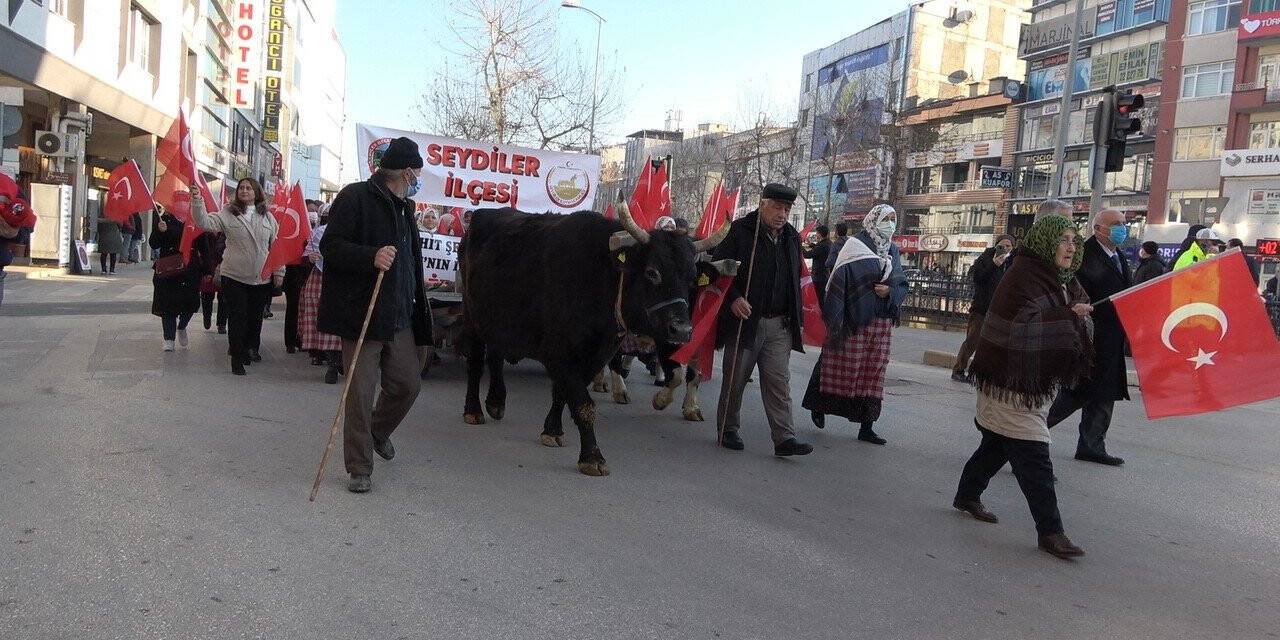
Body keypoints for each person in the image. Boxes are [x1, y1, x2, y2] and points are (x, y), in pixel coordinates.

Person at [953, 214, 1092, 560]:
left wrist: (1077, 315)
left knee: (997, 445)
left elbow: (1071, 315)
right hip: (1008, 377)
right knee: (1034, 456)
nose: (1070, 248)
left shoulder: (1063, 278)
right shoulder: (1024, 274)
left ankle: (967, 494)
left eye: (1074, 241)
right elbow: (1018, 328)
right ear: (1046, 241)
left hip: (1032, 382)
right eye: (1063, 240)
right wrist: (1068, 316)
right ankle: (1051, 531)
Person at [319, 137, 433, 493]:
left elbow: (408, 258)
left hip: (400, 315)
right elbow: (330, 246)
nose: (418, 176)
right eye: (417, 169)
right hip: (363, 313)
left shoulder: (407, 208)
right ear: (404, 170)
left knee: (407, 384)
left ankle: (378, 432)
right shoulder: (355, 197)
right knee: (360, 392)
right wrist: (370, 256)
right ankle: (359, 467)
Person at [711, 182, 813, 457]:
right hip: (746, 321)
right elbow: (718, 269)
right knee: (736, 379)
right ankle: (728, 428)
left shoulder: (792, 237)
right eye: (778, 207)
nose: (783, 213)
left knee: (779, 382)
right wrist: (733, 297)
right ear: (763, 204)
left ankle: (784, 438)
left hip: (780, 324)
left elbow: (796, 278)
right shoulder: (741, 232)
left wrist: (797, 315)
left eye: (787, 209)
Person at [803, 204, 909, 444]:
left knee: (873, 372)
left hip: (880, 322)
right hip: (852, 319)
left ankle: (866, 426)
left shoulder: (892, 249)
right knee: (836, 363)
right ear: (873, 220)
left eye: (893, 219)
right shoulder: (855, 246)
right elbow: (839, 279)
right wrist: (836, 319)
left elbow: (901, 281)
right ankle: (818, 406)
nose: (890, 223)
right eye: (886, 218)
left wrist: (890, 292)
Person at [1045, 209, 1132, 466]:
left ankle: (1093, 445)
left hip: (1112, 337)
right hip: (1091, 336)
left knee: (1105, 393)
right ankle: (1026, 436)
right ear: (1098, 228)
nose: (1122, 229)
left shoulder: (1118, 256)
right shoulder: (1085, 255)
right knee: (1076, 393)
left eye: (1124, 224)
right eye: (1116, 224)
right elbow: (1074, 292)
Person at [191, 177, 283, 376]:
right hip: (234, 275)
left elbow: (276, 246)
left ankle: (251, 347)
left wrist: (279, 272)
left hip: (261, 278)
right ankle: (236, 356)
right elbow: (203, 222)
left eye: (248, 188)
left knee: (254, 317)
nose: (244, 191)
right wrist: (197, 200)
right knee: (237, 315)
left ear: (256, 192)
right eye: (241, 188)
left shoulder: (268, 217)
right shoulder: (227, 213)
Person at [952, 234, 1014, 382]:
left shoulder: (1012, 263)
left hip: (1000, 310)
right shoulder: (986, 258)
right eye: (1001, 246)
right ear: (996, 246)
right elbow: (977, 277)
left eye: (1008, 246)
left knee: (994, 344)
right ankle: (959, 369)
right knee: (973, 340)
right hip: (981, 307)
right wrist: (994, 265)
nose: (1004, 249)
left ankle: (984, 374)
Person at [301, 203, 344, 384]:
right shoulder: (320, 232)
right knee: (324, 319)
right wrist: (310, 258)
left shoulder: (353, 230)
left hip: (346, 280)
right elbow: (307, 255)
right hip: (321, 278)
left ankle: (342, 359)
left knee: (343, 321)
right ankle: (332, 363)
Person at [149, 209, 201, 351]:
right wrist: (160, 231)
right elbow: (153, 243)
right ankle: (169, 338)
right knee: (167, 305)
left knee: (191, 303)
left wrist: (208, 268)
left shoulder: (195, 217)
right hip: (169, 268)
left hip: (190, 268)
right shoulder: (164, 219)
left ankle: (182, 326)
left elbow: (203, 243)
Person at [282, 200, 318, 354]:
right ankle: (290, 341)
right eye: (309, 210)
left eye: (315, 211)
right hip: (294, 275)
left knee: (307, 312)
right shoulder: (293, 227)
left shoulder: (317, 232)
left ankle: (303, 339)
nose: (313, 214)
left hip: (310, 276)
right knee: (293, 308)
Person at [0, 174, 37, 310]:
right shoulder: (5, 184)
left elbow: (28, 221)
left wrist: (12, 232)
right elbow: (29, 223)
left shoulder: (5, 184)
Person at [194, 229, 227, 333]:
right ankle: (207, 318)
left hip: (224, 267)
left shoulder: (227, 232)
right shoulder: (205, 232)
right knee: (207, 295)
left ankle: (221, 324)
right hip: (208, 266)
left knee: (223, 297)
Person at [805, 225, 833, 296]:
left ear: (820, 234)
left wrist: (798, 246)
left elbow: (807, 255)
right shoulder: (829, 243)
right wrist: (810, 244)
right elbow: (818, 249)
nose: (816, 235)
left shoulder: (822, 246)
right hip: (825, 274)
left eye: (817, 233)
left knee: (817, 297)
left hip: (819, 276)